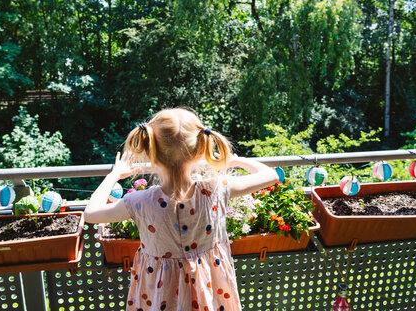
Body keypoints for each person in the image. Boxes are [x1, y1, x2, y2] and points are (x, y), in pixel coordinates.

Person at [84, 108, 278, 311]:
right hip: (210, 294)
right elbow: (271, 175)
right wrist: (236, 161)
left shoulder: (139, 201)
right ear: (200, 149)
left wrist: (114, 175)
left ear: (151, 153)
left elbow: (91, 213)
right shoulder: (218, 188)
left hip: (160, 296)